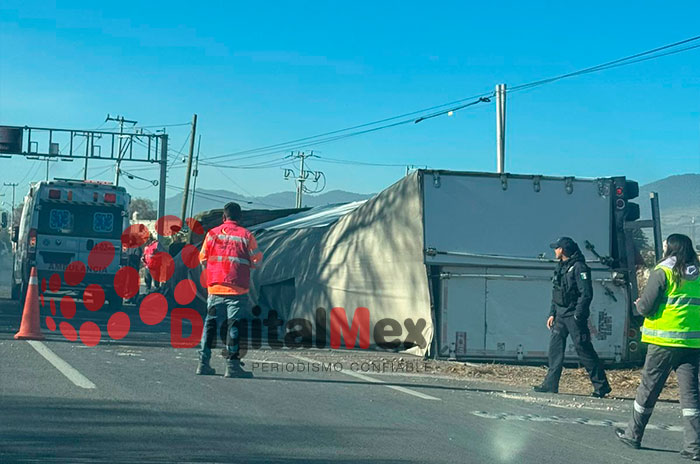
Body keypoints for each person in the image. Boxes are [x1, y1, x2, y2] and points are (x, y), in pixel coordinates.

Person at [615, 234, 700, 459]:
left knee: (648, 389)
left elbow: (646, 306)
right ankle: (694, 446)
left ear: (670, 248)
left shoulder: (664, 270)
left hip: (663, 342)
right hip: (691, 343)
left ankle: (633, 434)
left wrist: (639, 305)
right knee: (690, 395)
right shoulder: (698, 272)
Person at [534, 237, 612, 397]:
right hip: (560, 315)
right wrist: (552, 313)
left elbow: (586, 294)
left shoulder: (580, 268)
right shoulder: (561, 267)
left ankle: (601, 386)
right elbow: (556, 292)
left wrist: (578, 315)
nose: (554, 251)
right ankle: (550, 385)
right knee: (555, 349)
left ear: (562, 250)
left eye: (556, 248)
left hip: (574, 316)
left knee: (583, 349)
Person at [196, 202, 262, 378]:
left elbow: (202, 259)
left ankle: (203, 364)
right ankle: (232, 366)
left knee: (210, 325)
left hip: (215, 287)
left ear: (223, 217)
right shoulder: (246, 236)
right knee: (234, 326)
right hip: (237, 290)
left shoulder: (211, 235)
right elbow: (257, 261)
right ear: (239, 218)